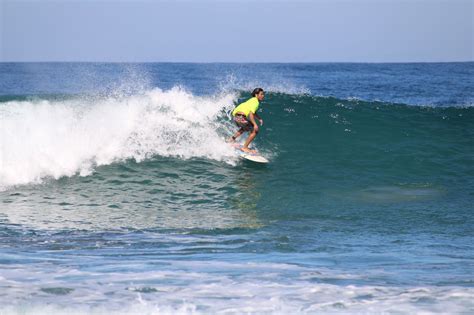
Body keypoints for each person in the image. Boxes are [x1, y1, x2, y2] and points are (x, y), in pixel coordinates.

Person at [228, 88, 265, 153]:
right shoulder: (256, 102)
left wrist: (259, 118)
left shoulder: (251, 100)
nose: (263, 96)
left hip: (235, 117)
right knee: (255, 130)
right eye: (261, 94)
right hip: (241, 117)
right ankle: (245, 148)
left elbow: (253, 112)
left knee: (244, 128)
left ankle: (232, 139)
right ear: (256, 95)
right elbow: (251, 114)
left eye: (263, 94)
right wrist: (255, 124)